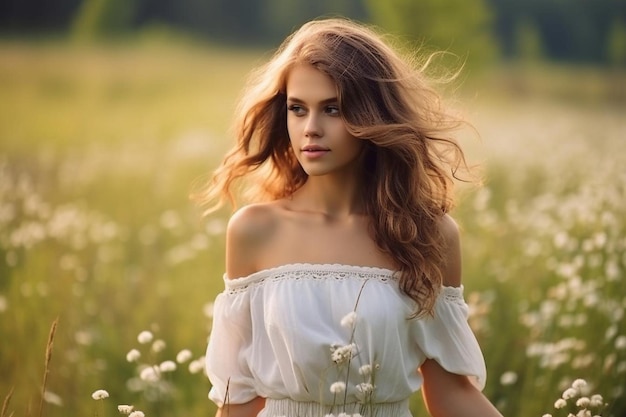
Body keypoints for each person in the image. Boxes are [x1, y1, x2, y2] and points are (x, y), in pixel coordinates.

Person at [198, 17, 503, 417]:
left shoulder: (427, 235)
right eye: (297, 109)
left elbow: (450, 392)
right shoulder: (255, 231)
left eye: (333, 109)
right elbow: (240, 399)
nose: (310, 129)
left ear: (372, 116)